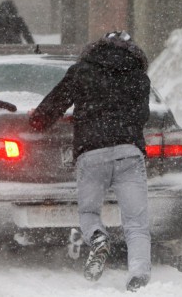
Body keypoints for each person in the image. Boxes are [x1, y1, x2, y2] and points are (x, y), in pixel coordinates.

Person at [28, 31, 151, 292]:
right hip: (129, 153)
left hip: (91, 152)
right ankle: (138, 275)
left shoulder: (82, 71)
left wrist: (38, 120)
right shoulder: (139, 76)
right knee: (136, 222)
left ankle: (98, 237)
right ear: (132, 51)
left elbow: (50, 108)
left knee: (89, 212)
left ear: (96, 49)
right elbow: (142, 116)